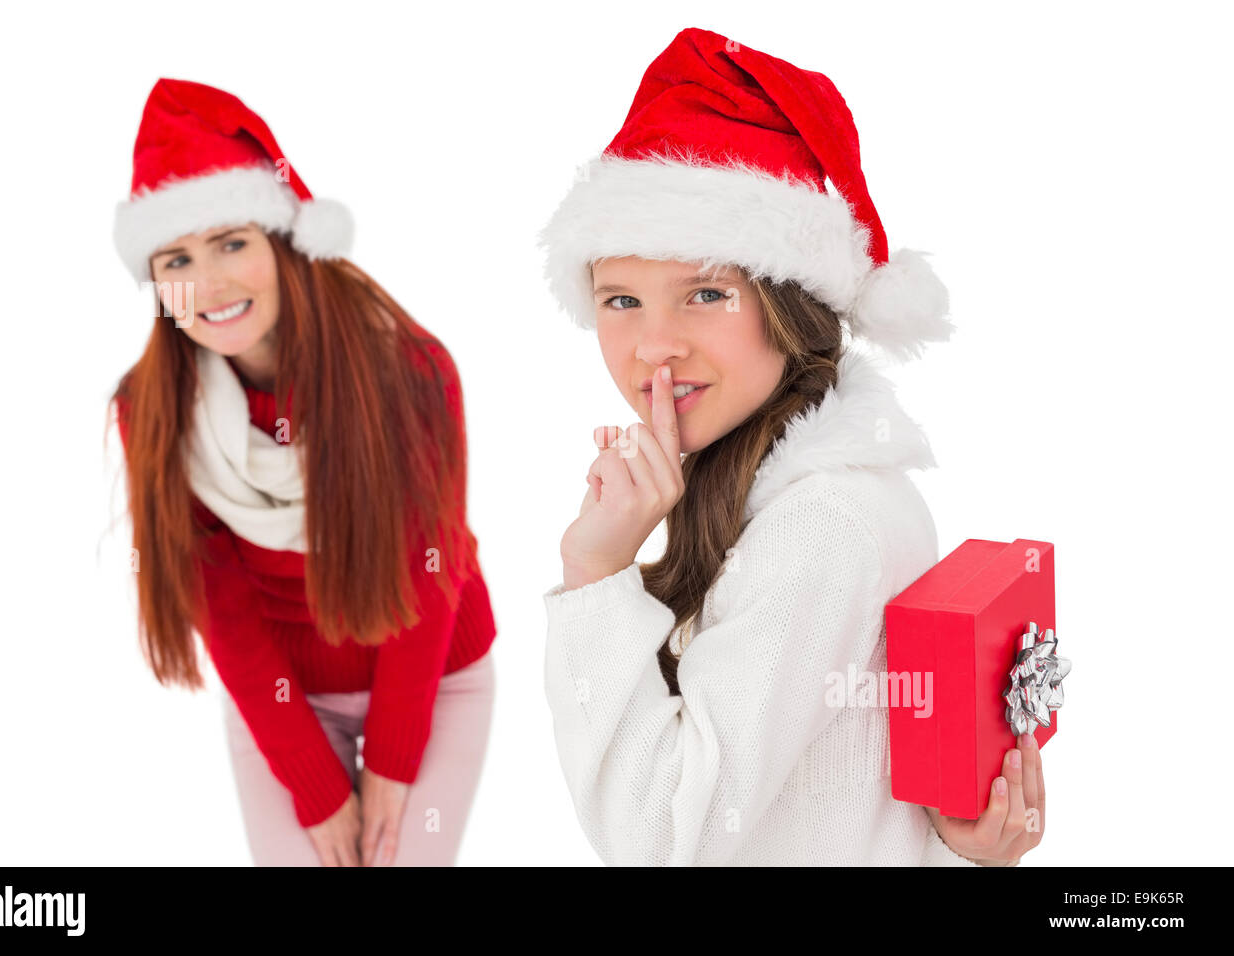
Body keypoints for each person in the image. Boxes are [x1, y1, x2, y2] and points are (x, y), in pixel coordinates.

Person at [537, 27, 1044, 866]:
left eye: (704, 292)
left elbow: (664, 838)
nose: (653, 346)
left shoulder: (820, 526)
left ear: (789, 306)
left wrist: (594, 576)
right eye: (621, 299)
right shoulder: (797, 492)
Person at [107, 78, 496, 866]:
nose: (209, 284)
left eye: (232, 243)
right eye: (177, 257)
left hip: (432, 675)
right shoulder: (152, 407)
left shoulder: (412, 370)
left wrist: (391, 759)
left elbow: (431, 571)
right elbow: (221, 611)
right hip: (286, 700)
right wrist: (316, 788)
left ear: (283, 242)